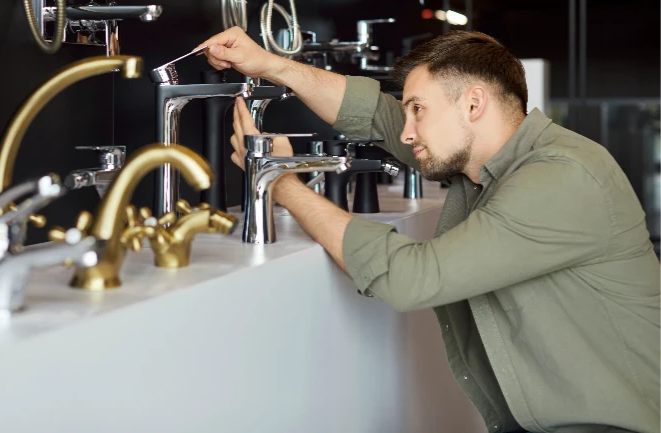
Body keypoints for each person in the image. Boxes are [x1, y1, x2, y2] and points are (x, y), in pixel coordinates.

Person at [196, 27, 661, 433]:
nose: (406, 132)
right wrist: (270, 65)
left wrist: (280, 181)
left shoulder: (562, 176)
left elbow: (413, 277)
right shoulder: (484, 162)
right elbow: (377, 115)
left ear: (474, 103)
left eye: (418, 109)